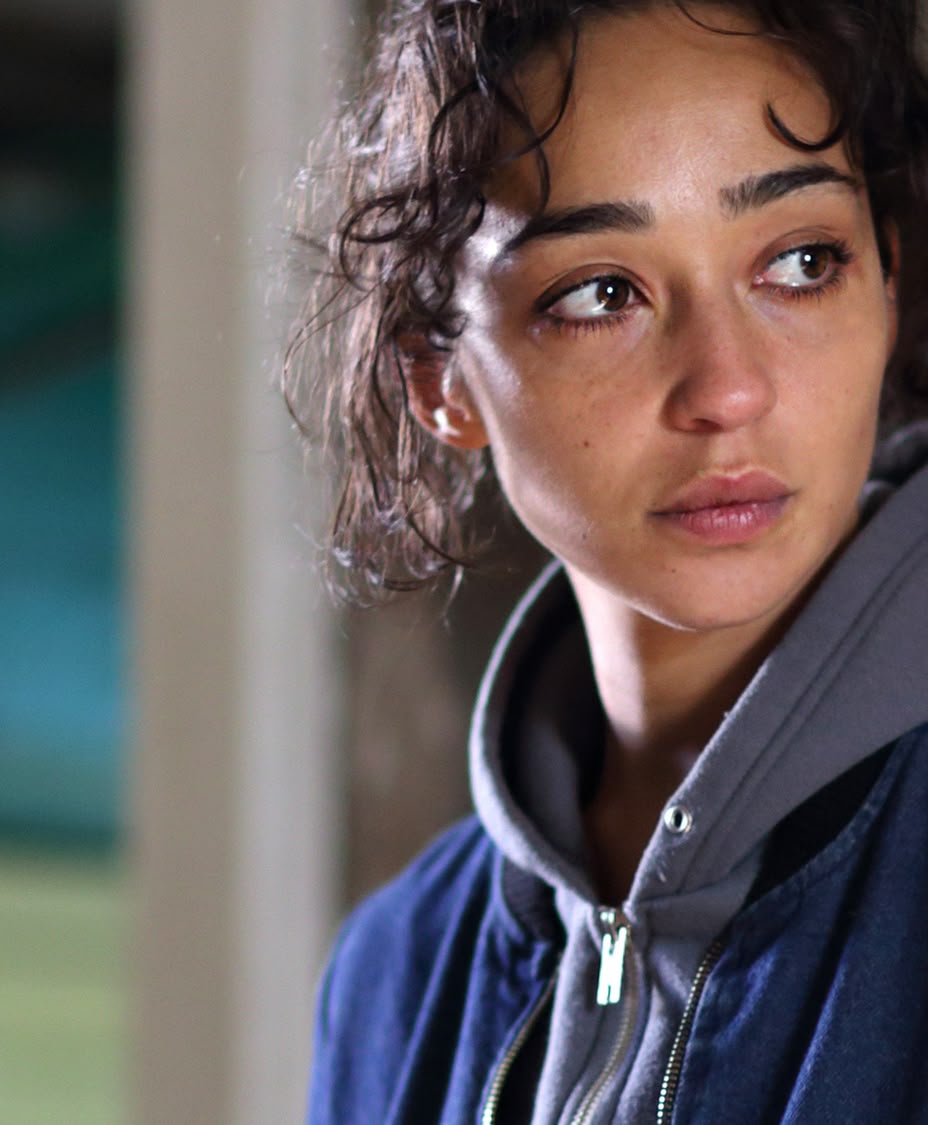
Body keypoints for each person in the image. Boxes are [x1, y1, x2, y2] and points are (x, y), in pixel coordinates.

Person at [292, 1, 928, 1121]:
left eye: (800, 262)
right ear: (440, 380)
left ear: (885, 276)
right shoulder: (397, 973)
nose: (726, 388)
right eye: (600, 295)